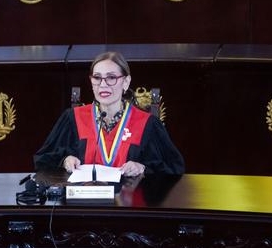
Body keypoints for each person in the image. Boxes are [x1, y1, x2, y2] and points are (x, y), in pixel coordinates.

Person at [34, 51, 185, 176]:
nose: (103, 84)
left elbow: (174, 168)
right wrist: (65, 161)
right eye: (97, 78)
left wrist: (142, 168)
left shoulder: (147, 124)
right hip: (83, 206)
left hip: (130, 208)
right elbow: (42, 160)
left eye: (111, 77)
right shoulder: (73, 118)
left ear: (126, 82)